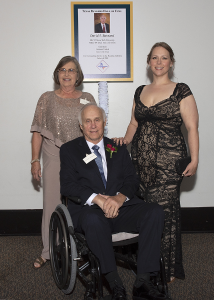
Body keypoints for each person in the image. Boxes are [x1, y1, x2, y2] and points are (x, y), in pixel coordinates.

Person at [60, 103, 167, 300]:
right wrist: (98, 199)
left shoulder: (116, 147)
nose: (93, 125)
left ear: (104, 122)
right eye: (88, 121)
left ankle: (143, 282)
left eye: (97, 120)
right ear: (81, 126)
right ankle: (115, 283)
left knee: (155, 212)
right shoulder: (70, 150)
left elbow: (132, 179)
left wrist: (119, 198)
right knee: (93, 219)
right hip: (90, 212)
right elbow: (67, 185)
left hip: (122, 208)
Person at [113, 42, 199, 283]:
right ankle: (149, 263)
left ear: (171, 62)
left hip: (169, 165)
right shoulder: (140, 90)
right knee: (146, 212)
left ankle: (168, 269)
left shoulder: (181, 90)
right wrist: (124, 140)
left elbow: (192, 128)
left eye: (164, 58)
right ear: (148, 62)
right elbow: (133, 124)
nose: (159, 62)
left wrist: (195, 159)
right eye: (154, 58)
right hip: (140, 162)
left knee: (165, 213)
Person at [30, 56, 96, 269]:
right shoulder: (46, 98)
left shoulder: (87, 97)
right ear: (57, 74)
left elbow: (95, 130)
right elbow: (37, 132)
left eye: (71, 70)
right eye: (62, 70)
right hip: (53, 154)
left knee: (83, 203)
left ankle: (82, 248)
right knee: (52, 203)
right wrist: (35, 160)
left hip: (82, 156)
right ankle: (48, 251)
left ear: (78, 75)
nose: (67, 74)